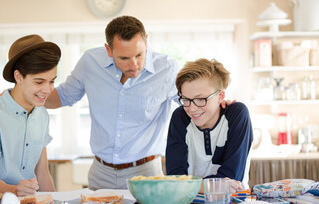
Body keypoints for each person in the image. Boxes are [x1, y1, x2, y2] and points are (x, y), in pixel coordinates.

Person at [45, 16, 231, 190]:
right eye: (124, 58)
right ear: (108, 50)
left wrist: (219, 103)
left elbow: (191, 103)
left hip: (145, 173)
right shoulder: (90, 62)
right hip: (100, 173)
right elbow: (63, 96)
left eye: (139, 55)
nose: (133, 65)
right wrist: (27, 96)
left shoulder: (166, 68)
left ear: (146, 41)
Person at [0, 34, 61, 196]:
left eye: (52, 81)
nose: (47, 90)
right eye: (39, 82)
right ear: (18, 77)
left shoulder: (41, 115)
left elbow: (42, 173)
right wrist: (15, 190)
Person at [165, 58, 253, 193]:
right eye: (186, 100)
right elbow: (175, 179)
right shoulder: (180, 117)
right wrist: (211, 186)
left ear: (220, 96)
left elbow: (232, 179)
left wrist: (188, 185)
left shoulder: (237, 114)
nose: (192, 108)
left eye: (200, 99)